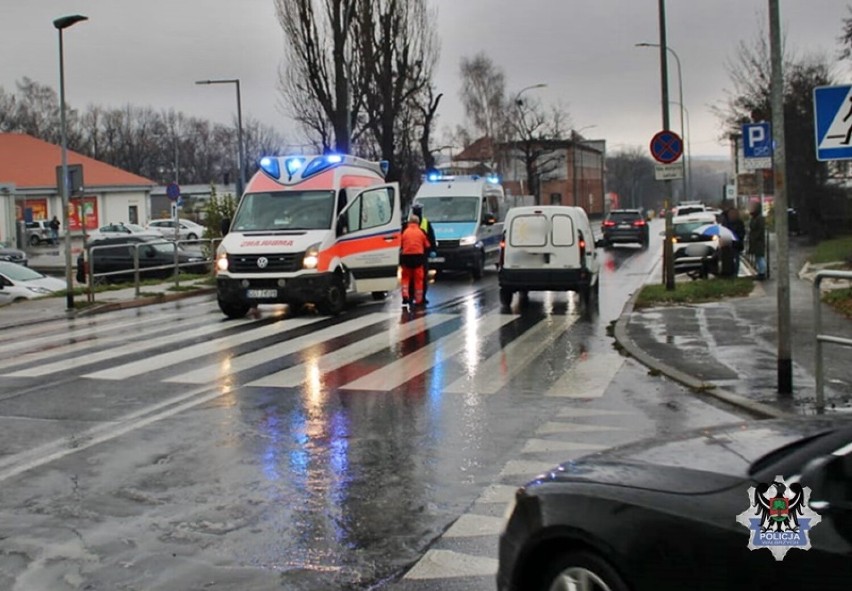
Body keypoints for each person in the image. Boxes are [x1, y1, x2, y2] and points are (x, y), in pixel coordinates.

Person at [400, 213, 431, 308]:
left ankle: (405, 295)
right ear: (418, 222)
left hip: (406, 257)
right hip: (418, 257)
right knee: (418, 279)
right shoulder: (420, 232)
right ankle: (418, 299)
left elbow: (400, 244)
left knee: (405, 277)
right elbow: (427, 245)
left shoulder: (405, 232)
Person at [411, 203, 436, 303]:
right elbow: (431, 238)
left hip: (412, 254)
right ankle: (419, 297)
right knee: (420, 277)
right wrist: (432, 249)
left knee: (414, 277)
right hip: (422, 254)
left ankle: (415, 296)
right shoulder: (425, 223)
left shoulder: (409, 223)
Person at [723, 207, 746, 277]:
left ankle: (734, 273)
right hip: (731, 243)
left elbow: (742, 232)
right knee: (732, 259)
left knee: (736, 259)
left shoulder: (738, 222)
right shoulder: (726, 222)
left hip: (736, 244)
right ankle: (732, 272)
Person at [748, 201, 767, 280]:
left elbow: (759, 230)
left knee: (760, 257)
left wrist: (754, 237)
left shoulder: (759, 218)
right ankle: (760, 272)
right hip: (755, 241)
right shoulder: (754, 217)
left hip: (758, 241)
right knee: (757, 257)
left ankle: (762, 273)